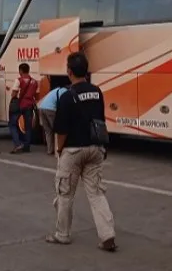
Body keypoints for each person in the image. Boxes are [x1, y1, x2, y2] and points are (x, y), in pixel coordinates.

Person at [46, 52, 116, 251]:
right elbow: (100, 119)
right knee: (96, 194)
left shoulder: (67, 96)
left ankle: (62, 234)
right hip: (95, 148)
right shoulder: (97, 91)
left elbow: (61, 130)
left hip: (73, 151)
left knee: (65, 193)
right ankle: (107, 235)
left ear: (69, 72)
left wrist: (58, 151)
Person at [9, 63, 38, 154]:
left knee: (12, 124)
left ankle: (18, 144)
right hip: (29, 105)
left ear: (20, 71)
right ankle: (27, 147)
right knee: (28, 127)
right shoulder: (34, 81)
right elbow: (35, 94)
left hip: (19, 105)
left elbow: (14, 93)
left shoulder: (19, 80)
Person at [38, 84, 68, 156]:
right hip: (50, 110)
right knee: (57, 130)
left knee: (48, 131)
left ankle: (50, 150)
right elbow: (64, 104)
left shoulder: (56, 90)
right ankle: (57, 151)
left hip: (41, 108)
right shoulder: (65, 92)